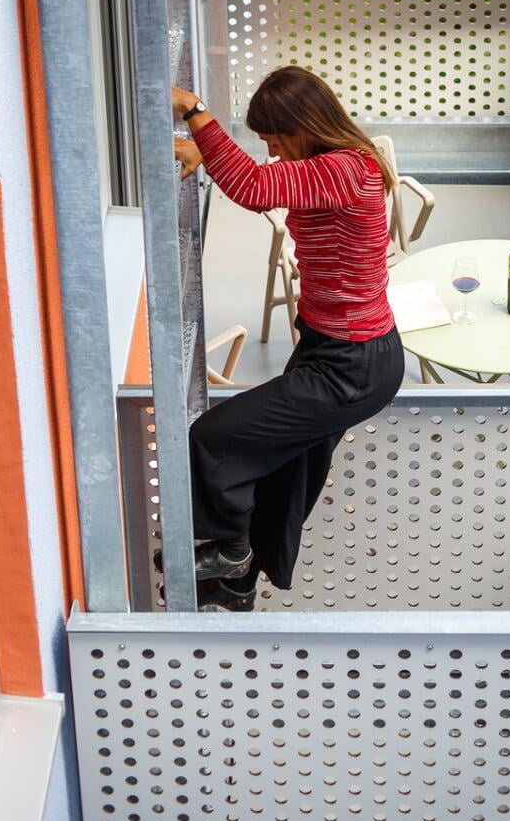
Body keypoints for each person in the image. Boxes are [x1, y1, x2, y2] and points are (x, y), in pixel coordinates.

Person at [171, 66, 405, 611]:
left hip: (354, 364)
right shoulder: (330, 167)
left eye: (277, 141)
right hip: (331, 349)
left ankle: (230, 550)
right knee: (281, 471)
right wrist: (205, 155)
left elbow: (253, 188)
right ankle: (236, 587)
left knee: (213, 438)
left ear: (304, 126)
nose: (273, 155)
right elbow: (266, 179)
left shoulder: (345, 170)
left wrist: (195, 112)